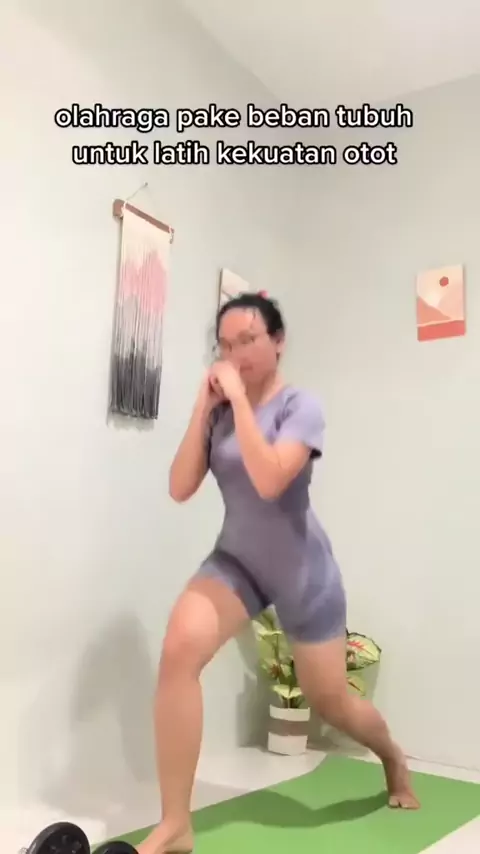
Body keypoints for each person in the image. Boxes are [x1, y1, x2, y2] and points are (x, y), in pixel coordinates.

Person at [138, 293, 419, 854]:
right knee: (178, 650)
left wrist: (241, 403)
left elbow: (269, 481)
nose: (235, 354)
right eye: (225, 345)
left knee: (331, 701)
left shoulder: (300, 408)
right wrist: (203, 406)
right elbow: (179, 487)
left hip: (304, 575)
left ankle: (393, 758)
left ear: (278, 341)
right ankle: (176, 826)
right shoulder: (219, 412)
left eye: (248, 340)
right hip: (238, 562)